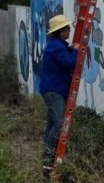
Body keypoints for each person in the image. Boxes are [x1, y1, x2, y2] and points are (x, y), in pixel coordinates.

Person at [40, 14, 78, 178]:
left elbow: (65, 55)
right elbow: (69, 63)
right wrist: (76, 51)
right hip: (54, 91)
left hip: (53, 90)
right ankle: (48, 159)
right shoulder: (55, 47)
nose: (69, 30)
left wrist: (70, 49)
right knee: (60, 123)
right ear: (60, 31)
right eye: (67, 28)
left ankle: (47, 159)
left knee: (51, 125)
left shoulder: (57, 45)